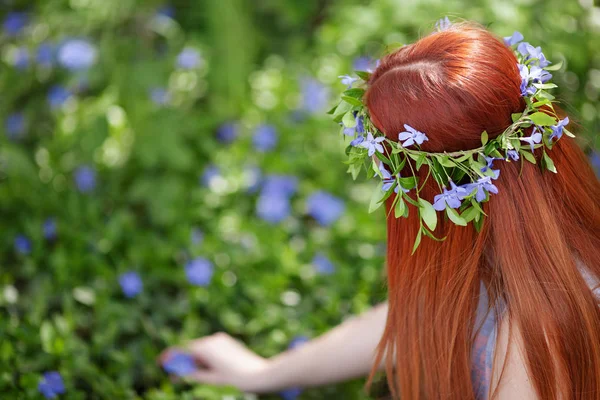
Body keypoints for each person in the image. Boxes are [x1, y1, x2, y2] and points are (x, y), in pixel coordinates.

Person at [160, 22, 600, 399]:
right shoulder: (521, 238)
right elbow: (417, 317)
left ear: (438, 189)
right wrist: (264, 372)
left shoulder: (538, 336)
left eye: (392, 174)